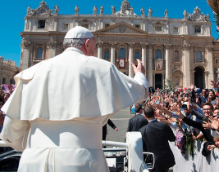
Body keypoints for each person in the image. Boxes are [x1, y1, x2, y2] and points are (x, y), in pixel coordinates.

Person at [0, 26, 148, 172]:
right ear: (87, 44)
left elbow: (10, 132)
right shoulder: (102, 68)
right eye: (94, 48)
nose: (94, 52)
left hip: (33, 161)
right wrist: (140, 74)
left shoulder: (32, 72)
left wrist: (37, 145)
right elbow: (140, 93)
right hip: (82, 160)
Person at [139, 106, 175, 172]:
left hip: (153, 159)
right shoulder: (164, 125)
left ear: (145, 117)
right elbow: (172, 138)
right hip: (166, 158)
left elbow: (143, 147)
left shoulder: (142, 130)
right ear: (154, 113)